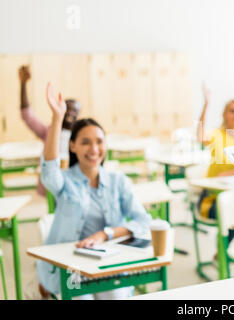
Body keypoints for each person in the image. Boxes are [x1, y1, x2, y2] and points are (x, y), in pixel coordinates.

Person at [35, 83, 151, 299]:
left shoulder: (118, 182)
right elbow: (49, 170)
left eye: (99, 142)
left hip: (109, 262)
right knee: (81, 297)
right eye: (85, 142)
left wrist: (105, 234)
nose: (94, 149)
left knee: (115, 296)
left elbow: (143, 221)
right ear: (72, 146)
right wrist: (57, 118)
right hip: (71, 266)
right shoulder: (65, 181)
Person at [196, 85, 234, 244]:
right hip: (213, 199)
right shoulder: (217, 134)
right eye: (232, 111)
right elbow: (200, 136)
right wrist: (206, 105)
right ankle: (225, 252)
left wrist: (227, 174)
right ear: (224, 115)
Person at [19, 65, 81, 195]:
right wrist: (23, 84)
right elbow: (27, 115)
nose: (70, 113)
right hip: (53, 181)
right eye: (67, 108)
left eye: (74, 110)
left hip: (75, 183)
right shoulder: (50, 131)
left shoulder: (81, 134)